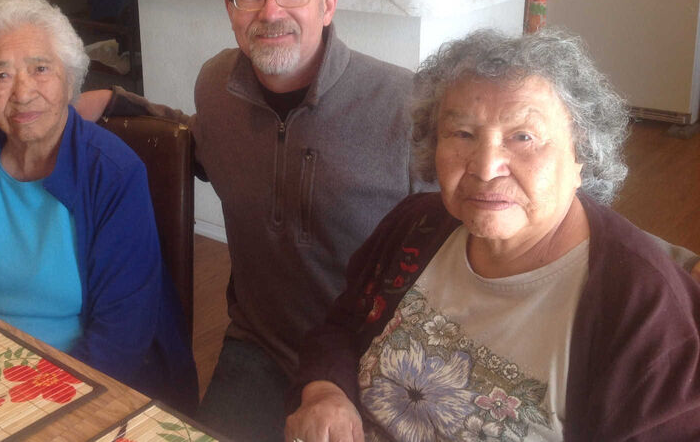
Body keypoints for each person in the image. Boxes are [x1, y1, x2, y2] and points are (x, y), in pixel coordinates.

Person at [77, 0, 420, 441]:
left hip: (370, 358)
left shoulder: (404, 106)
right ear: (230, 10)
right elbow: (204, 144)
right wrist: (126, 106)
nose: (271, 11)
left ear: (327, 4)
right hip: (259, 343)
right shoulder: (217, 84)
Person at [286, 28, 700, 442]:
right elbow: (341, 327)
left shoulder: (644, 312)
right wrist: (325, 392)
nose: (485, 168)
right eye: (462, 134)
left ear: (583, 156)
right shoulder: (416, 225)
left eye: (523, 137)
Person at [0, 0, 197, 412]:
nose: (22, 92)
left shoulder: (112, 173)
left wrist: (49, 405)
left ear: (70, 80)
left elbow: (123, 333)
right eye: (1, 75)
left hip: (86, 385)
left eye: (41, 69)